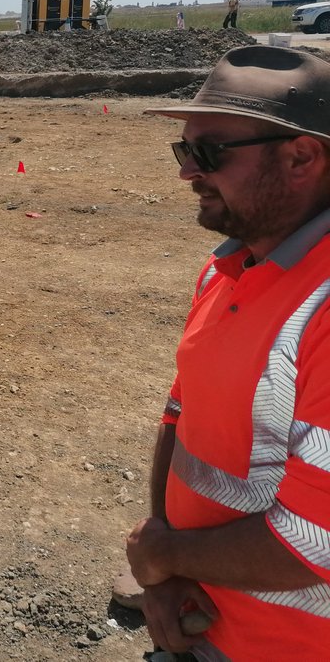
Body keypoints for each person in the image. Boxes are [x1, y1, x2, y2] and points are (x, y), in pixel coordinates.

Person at [125, 45, 330, 660]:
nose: (187, 173)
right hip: (197, 623)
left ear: (300, 158)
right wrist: (163, 561)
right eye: (183, 151)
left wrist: (162, 556)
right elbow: (179, 417)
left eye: (207, 153)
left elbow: (316, 541)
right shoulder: (229, 269)